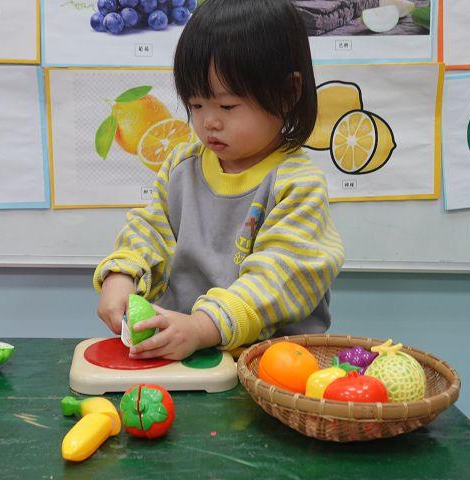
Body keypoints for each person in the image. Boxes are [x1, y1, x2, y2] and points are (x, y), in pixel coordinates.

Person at [94, 0, 345, 360]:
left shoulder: (297, 186)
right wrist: (122, 275)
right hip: (183, 358)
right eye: (196, 105)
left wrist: (201, 327)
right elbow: (149, 231)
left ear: (289, 93)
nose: (208, 122)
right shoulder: (182, 166)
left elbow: (279, 279)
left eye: (227, 106)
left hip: (271, 368)